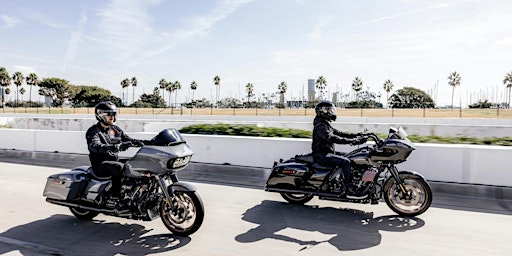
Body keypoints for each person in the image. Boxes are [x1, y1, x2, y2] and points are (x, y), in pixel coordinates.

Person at [85, 101, 145, 204]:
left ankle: (132, 192)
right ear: (100, 115)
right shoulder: (93, 131)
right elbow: (95, 146)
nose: (112, 117)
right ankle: (115, 196)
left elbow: (128, 139)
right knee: (119, 167)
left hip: (113, 160)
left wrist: (147, 143)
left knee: (134, 163)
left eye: (113, 114)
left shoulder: (114, 129)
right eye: (108, 114)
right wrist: (114, 147)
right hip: (100, 165)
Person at [312, 101, 366, 195]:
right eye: (329, 110)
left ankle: (348, 181)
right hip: (321, 155)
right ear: (322, 111)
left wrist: (357, 136)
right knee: (345, 162)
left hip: (328, 153)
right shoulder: (321, 126)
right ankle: (349, 187)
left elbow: (340, 133)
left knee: (351, 157)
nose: (331, 112)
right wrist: (351, 142)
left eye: (331, 110)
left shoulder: (325, 124)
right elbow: (331, 138)